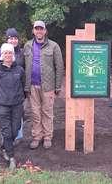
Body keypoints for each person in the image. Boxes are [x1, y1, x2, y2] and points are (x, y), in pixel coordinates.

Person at [24, 20, 64, 150]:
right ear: (33, 31)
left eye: (41, 29)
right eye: (37, 29)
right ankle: (37, 136)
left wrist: (58, 86)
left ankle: (47, 137)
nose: (39, 31)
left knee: (47, 112)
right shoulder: (27, 46)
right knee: (35, 113)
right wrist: (26, 86)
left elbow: (59, 67)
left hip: (48, 86)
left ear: (45, 31)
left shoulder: (53, 46)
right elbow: (24, 66)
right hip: (32, 85)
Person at [0, 43, 25, 171]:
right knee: (6, 131)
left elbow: (23, 85)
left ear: (13, 55)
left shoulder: (19, 70)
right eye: (5, 53)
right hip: (3, 106)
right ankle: (11, 158)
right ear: (2, 55)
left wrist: (20, 99)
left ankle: (5, 147)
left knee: (15, 129)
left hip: (17, 104)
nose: (8, 55)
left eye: (10, 53)